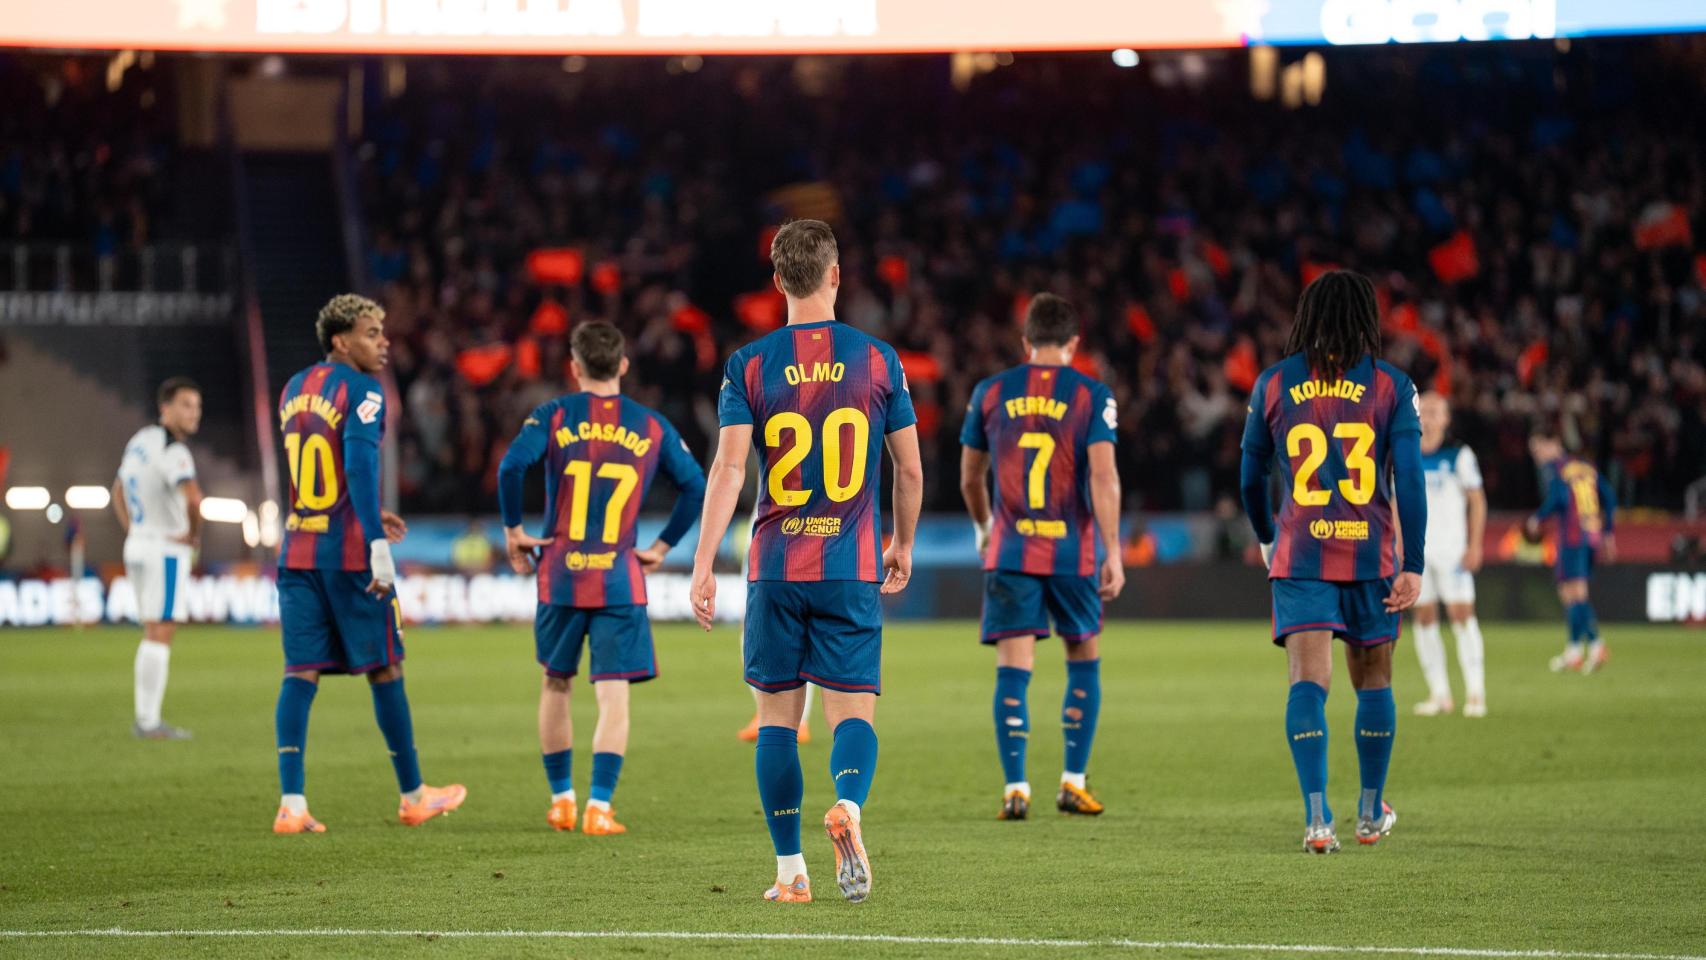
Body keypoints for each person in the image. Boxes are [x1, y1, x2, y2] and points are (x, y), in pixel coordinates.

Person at [688, 219, 923, 904]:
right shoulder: (878, 359)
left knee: (776, 725)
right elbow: (908, 469)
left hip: (775, 569)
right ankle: (848, 806)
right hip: (849, 566)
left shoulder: (749, 364)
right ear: (835, 275)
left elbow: (729, 469)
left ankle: (791, 874)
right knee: (853, 715)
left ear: (777, 282)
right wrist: (901, 543)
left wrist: (703, 564)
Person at [1239, 270, 1426, 854]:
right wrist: (1413, 561)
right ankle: (1370, 812)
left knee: (1308, 682)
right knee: (1374, 680)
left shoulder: (1273, 384)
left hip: (1301, 555)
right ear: (1366, 319)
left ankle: (1318, 821)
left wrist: (1268, 535)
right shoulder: (1393, 386)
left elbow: (1251, 478)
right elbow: (1411, 481)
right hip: (1372, 558)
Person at [497, 320, 707, 835]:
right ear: (624, 365)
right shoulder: (650, 425)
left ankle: (562, 800)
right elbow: (696, 486)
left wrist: (513, 531)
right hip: (618, 576)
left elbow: (509, 468)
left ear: (574, 367)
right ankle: (599, 806)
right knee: (614, 694)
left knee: (556, 683)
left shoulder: (553, 415)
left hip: (562, 575)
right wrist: (660, 547)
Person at [271, 293, 466, 834]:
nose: (383, 343)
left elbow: (316, 475)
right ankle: (414, 795)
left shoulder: (293, 389)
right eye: (371, 333)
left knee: (299, 672)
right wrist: (376, 542)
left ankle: (292, 803)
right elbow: (357, 467)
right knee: (386, 665)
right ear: (340, 340)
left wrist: (364, 513)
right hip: (350, 554)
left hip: (298, 548)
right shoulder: (364, 391)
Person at [958, 293, 1124, 821]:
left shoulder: (990, 392)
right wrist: (1113, 549)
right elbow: (1103, 475)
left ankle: (1016, 788)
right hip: (1073, 552)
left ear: (1026, 342)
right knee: (1083, 657)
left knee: (1014, 667)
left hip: (1010, 550)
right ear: (1074, 344)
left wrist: (984, 527)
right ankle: (1073, 780)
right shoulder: (1092, 395)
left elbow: (969, 477)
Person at [111, 377, 204, 740]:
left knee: (153, 629)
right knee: (160, 631)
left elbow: (117, 489)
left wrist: (133, 528)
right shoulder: (174, 450)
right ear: (165, 408)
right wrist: (193, 534)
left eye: (197, 406)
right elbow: (194, 499)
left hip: (138, 543)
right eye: (185, 405)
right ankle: (148, 722)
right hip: (165, 547)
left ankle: (146, 719)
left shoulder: (139, 442)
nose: (193, 413)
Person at [1411, 392, 1489, 717]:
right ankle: (1440, 693)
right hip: (1417, 554)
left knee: (1462, 615)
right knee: (1424, 617)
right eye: (1423, 410)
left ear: (1445, 419)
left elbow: (1477, 500)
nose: (1428, 417)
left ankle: (1475, 692)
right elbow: (1394, 504)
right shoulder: (1405, 452)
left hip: (1452, 551)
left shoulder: (1459, 455)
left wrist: (1474, 545)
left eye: (1435, 411)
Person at [1525, 428, 1616, 674]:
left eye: (1539, 448)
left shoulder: (1558, 469)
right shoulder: (1585, 466)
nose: (1537, 455)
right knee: (1573, 593)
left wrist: (1537, 518)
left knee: (1573, 594)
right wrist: (1608, 532)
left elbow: (1559, 499)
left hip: (1572, 537)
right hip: (1591, 536)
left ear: (1554, 443)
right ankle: (1576, 650)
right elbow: (1609, 497)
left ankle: (1594, 646)